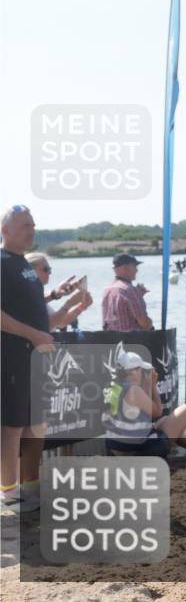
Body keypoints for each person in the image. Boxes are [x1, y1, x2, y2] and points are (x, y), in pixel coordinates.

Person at [1, 206, 53, 512]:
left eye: (33, 225)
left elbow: (38, 318)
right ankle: (8, 493)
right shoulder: (2, 262)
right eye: (24, 225)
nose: (31, 230)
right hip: (10, 357)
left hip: (34, 358)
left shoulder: (23, 264)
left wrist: (68, 311)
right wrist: (33, 335)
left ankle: (30, 487)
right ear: (4, 229)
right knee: (10, 428)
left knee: (37, 425)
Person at [103, 348, 186, 462]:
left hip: (115, 448)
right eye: (141, 370)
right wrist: (152, 386)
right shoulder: (133, 390)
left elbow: (141, 409)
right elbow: (156, 412)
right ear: (132, 371)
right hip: (134, 451)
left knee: (165, 420)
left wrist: (147, 384)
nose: (143, 373)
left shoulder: (114, 386)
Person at [25, 253, 92, 330]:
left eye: (50, 269)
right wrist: (69, 303)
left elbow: (60, 323)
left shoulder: (36, 295)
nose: (50, 273)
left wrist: (82, 306)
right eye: (46, 269)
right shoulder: (24, 296)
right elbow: (47, 325)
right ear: (30, 271)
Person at [101, 253, 153, 332]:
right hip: (131, 341)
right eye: (135, 266)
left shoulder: (107, 290)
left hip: (112, 341)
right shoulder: (129, 290)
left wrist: (139, 296)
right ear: (126, 268)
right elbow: (144, 323)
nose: (137, 270)